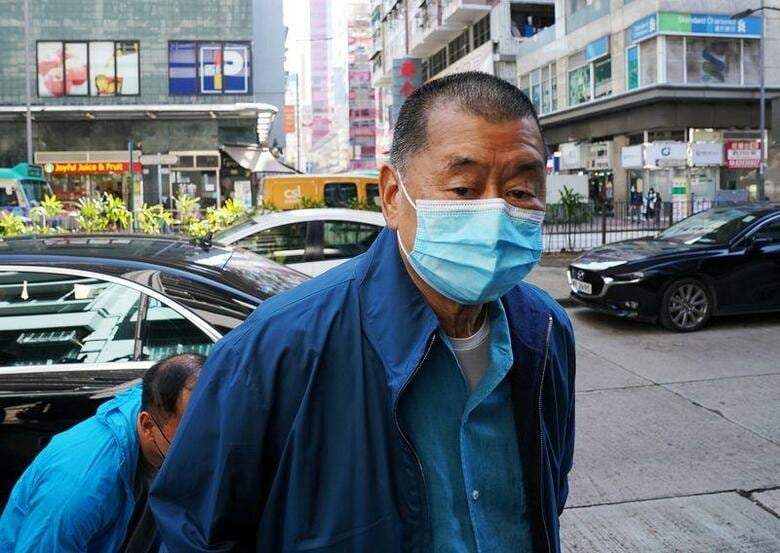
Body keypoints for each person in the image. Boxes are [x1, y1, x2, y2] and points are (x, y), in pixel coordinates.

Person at [151, 72, 576, 553]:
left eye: (520, 191)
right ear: (392, 196)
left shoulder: (545, 331)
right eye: (463, 189)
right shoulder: (273, 352)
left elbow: (549, 492)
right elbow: (195, 537)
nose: (495, 214)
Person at [0, 353, 204, 552]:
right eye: (187, 442)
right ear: (148, 425)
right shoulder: (80, 487)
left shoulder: (163, 406)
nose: (200, 454)